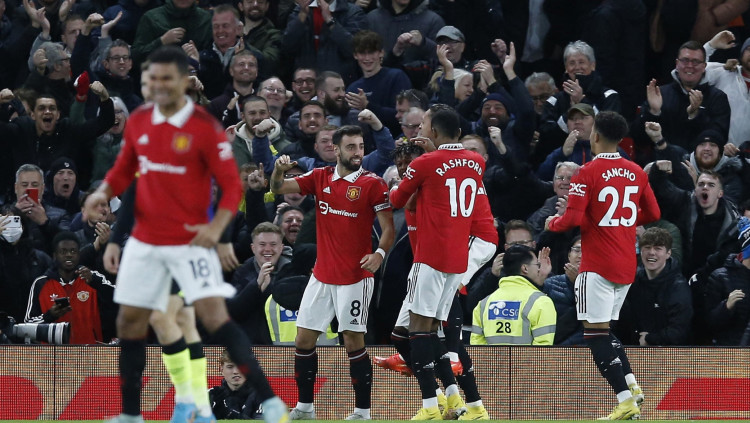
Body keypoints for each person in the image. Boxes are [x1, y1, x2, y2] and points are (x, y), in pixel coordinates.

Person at [86, 46, 288, 423]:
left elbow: (231, 187)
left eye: (165, 78)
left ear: (182, 83)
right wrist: (107, 209)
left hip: (189, 241)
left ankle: (267, 400)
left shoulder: (204, 128)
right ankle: (137, 412)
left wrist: (218, 234)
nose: (156, 85)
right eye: (151, 78)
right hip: (146, 240)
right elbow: (129, 177)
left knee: (210, 321)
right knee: (139, 322)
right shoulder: (140, 121)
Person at [270, 124, 394, 420]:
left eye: (361, 146)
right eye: (351, 147)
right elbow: (278, 188)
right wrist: (277, 171)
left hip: (355, 277)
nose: (357, 152)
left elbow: (388, 228)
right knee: (303, 340)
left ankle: (362, 411)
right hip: (322, 275)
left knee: (352, 341)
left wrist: (379, 254)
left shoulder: (373, 183)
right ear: (336, 150)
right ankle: (305, 408)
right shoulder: (320, 177)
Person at [545, 111, 660, 420]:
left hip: (597, 264)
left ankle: (623, 401)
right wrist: (622, 221)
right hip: (625, 265)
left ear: (595, 135)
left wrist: (552, 222)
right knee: (604, 330)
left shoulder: (587, 172)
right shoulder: (636, 171)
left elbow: (571, 219)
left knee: (595, 334)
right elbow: (653, 213)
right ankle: (632, 387)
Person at [389, 105, 486, 420]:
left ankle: (431, 406)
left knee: (419, 330)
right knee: (433, 332)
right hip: (458, 259)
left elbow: (397, 200)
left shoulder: (424, 163)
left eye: (424, 125)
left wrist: (406, 179)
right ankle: (456, 400)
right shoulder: (476, 161)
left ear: (432, 130)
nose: (420, 130)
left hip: (431, 256)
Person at [25, 231, 116, 344]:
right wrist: (49, 316)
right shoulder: (41, 283)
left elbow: (118, 300)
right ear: (55, 255)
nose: (69, 255)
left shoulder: (92, 278)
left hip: (90, 351)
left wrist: (95, 282)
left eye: (73, 251)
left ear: (79, 254)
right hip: (53, 353)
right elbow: (27, 325)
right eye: (63, 251)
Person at [616, 227, 693, 346]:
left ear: (668, 253)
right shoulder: (632, 282)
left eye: (658, 248)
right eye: (647, 247)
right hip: (633, 349)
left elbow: (679, 332)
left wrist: (650, 339)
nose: (651, 252)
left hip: (668, 352)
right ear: (640, 251)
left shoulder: (678, 288)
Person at [470, 244, 556, 345]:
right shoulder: (541, 302)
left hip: (491, 357)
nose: (539, 269)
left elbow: (477, 347)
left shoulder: (483, 305)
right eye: (538, 265)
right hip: (527, 357)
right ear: (525, 268)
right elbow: (543, 349)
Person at [543, 237, 585, 345]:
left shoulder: (602, 286)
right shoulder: (550, 283)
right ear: (569, 255)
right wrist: (540, 277)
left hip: (587, 347)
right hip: (557, 346)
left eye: (586, 251)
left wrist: (578, 283)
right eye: (577, 250)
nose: (580, 255)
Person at [209, 349, 264, 419]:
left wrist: (229, 414)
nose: (235, 371)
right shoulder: (211, 395)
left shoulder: (261, 395)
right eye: (230, 367)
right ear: (221, 370)